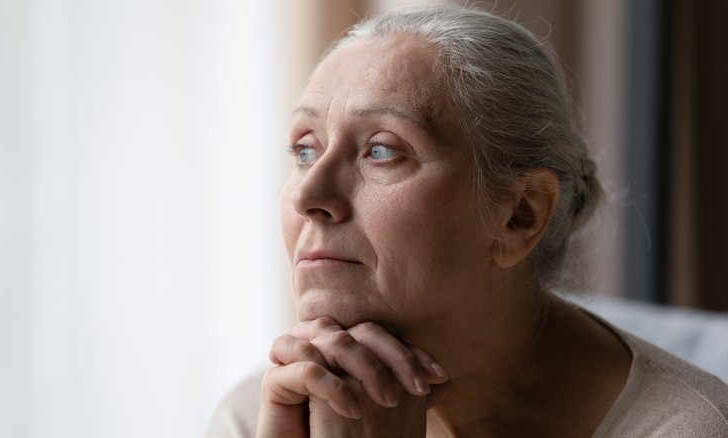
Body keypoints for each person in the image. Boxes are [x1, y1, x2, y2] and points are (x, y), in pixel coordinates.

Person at [209, 5, 728, 437]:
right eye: (304, 149)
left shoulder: (688, 429)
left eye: (383, 151)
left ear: (519, 217)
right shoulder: (262, 416)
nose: (307, 194)